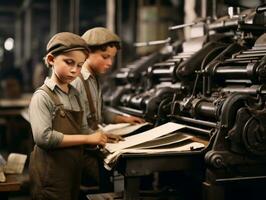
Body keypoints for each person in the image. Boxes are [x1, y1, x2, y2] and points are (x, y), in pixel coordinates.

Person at [28, 32, 114, 200]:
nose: (75, 70)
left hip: (71, 173)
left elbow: (82, 128)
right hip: (50, 177)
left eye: (80, 65)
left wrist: (99, 136)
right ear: (52, 60)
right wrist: (88, 140)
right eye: (69, 63)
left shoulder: (75, 94)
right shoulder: (42, 97)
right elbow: (44, 138)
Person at [71, 27, 145, 190]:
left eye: (112, 58)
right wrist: (100, 136)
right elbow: (75, 125)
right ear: (87, 53)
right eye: (105, 57)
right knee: (106, 181)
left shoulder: (94, 78)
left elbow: (99, 112)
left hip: (92, 144)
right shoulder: (77, 81)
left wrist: (123, 119)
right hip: (80, 152)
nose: (110, 63)